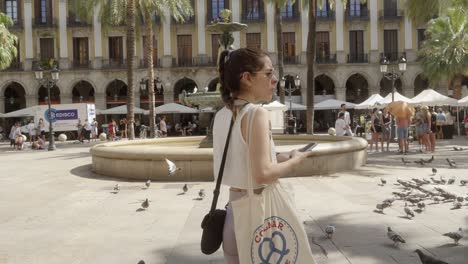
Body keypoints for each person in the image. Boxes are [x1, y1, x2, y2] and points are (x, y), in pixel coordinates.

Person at [212, 48, 313, 263]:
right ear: (247, 78)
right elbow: (263, 174)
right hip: (258, 218)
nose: (275, 80)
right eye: (267, 74)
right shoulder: (256, 113)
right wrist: (296, 161)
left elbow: (242, 158)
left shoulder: (222, 115)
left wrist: (281, 156)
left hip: (233, 217)